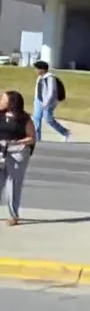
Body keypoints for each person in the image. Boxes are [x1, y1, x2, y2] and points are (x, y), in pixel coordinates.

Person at [0, 90, 36, 227]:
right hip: (1, 150)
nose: (0, 101)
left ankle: (13, 215)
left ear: (11, 103)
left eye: (3, 99)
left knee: (13, 183)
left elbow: (32, 138)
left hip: (17, 152)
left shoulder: (24, 118)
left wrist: (15, 143)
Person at [31, 60, 70, 141]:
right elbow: (37, 90)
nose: (36, 70)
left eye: (37, 68)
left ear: (42, 69)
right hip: (39, 100)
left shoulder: (50, 78)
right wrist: (36, 100)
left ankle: (65, 132)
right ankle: (37, 139)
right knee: (36, 118)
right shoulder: (39, 78)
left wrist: (46, 104)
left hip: (48, 102)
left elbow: (52, 92)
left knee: (49, 119)